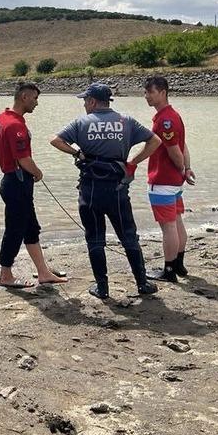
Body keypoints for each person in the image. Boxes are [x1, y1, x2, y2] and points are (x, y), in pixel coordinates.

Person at [50, 82, 161, 299]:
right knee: (128, 236)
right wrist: (133, 161)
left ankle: (102, 288)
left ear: (92, 101)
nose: (84, 105)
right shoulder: (126, 121)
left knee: (95, 238)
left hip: (90, 190)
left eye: (85, 101)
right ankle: (142, 283)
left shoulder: (82, 122)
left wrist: (77, 153)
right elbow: (155, 141)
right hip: (117, 190)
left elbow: (55, 140)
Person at [0, 82, 69, 288]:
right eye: (35, 98)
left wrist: (8, 160)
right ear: (24, 97)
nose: (37, 103)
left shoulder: (2, 118)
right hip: (17, 183)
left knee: (30, 227)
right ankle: (5, 275)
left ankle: (43, 272)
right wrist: (37, 172)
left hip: (12, 181)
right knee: (15, 230)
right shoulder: (16, 125)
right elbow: (25, 159)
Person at [143, 76, 196, 283]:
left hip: (163, 179)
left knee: (168, 227)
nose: (147, 96)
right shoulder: (173, 115)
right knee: (177, 222)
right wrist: (187, 168)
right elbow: (183, 144)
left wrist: (182, 168)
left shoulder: (166, 119)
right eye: (146, 92)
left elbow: (175, 150)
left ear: (163, 92)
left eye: (151, 92)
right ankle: (179, 263)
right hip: (173, 181)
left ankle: (169, 269)